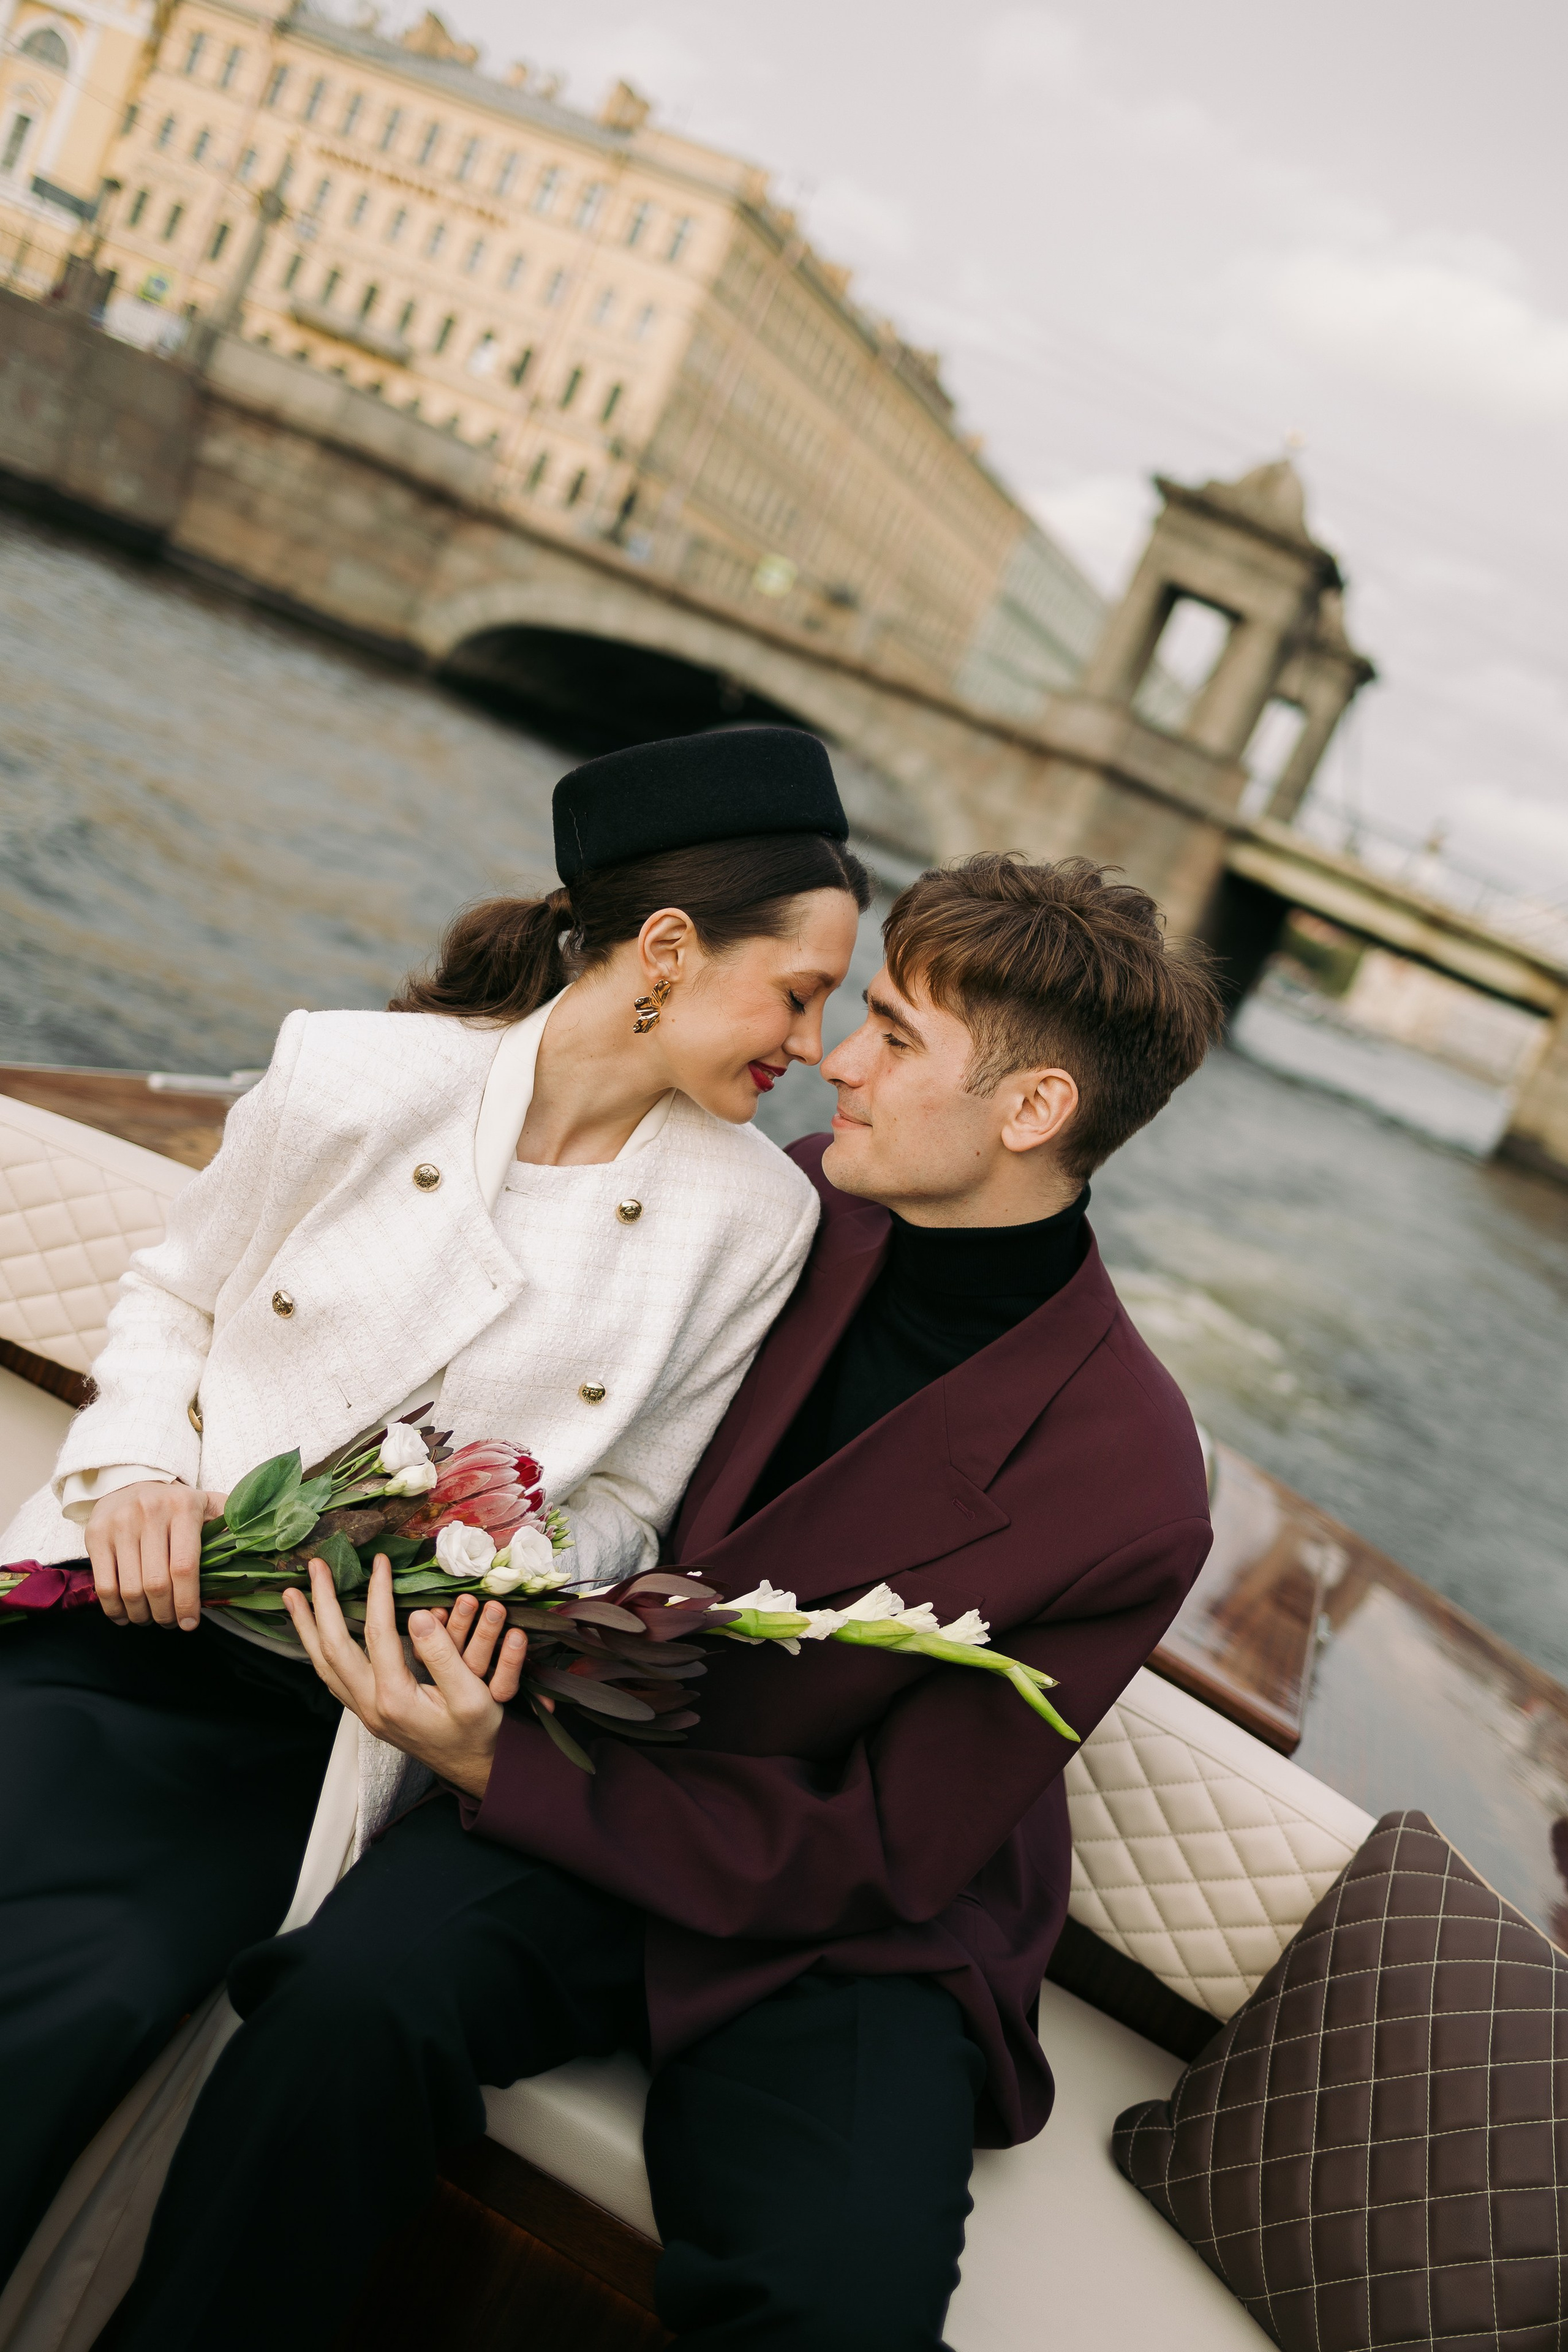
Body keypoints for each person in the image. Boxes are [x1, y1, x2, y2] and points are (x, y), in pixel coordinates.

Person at [77, 850, 1226, 2352]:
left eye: (889, 1035)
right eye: (850, 1013)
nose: (834, 1060)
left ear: (1029, 1112)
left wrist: (492, 1764)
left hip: (847, 1930)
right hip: (593, 1780)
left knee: (839, 2306)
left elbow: (883, 1848)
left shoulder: (1130, 1486)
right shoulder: (774, 1209)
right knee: (339, 2015)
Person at [0, 726, 871, 2311]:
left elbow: (630, 1504)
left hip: (329, 1730)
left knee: (87, 1995)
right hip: (129, 1627)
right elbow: (173, 1298)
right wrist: (135, 1473)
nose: (817, 1042)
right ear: (666, 952)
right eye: (803, 990)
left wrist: (477, 1573)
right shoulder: (350, 1073)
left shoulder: (757, 1217)